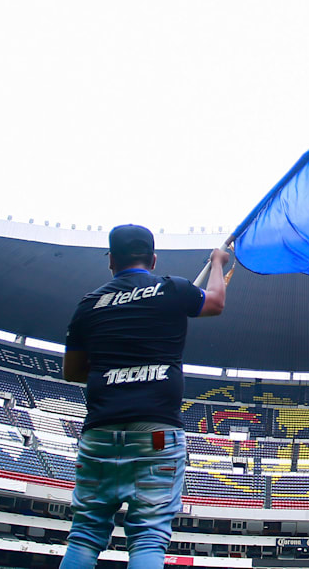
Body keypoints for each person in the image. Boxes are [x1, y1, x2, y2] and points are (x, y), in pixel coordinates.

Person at [59, 224, 229, 569]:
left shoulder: (88, 305)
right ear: (153, 259)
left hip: (100, 431)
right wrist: (217, 262)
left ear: (111, 261)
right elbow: (215, 302)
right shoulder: (173, 289)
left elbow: (73, 372)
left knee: (85, 533)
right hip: (156, 434)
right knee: (148, 536)